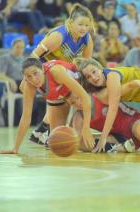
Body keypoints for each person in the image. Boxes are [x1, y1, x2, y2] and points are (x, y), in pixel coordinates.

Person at [0, 58, 94, 154]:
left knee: (83, 135)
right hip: (61, 96)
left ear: (42, 69)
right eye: (28, 76)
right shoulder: (29, 85)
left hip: (85, 85)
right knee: (58, 142)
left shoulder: (56, 72)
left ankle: (106, 139)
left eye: (35, 73)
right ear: (24, 77)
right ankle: (43, 131)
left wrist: (86, 127)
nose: (34, 79)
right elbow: (25, 117)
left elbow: (85, 97)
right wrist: (15, 148)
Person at [29, 3, 94, 144]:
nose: (84, 28)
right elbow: (33, 55)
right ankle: (46, 132)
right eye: (80, 24)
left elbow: (85, 65)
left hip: (62, 72)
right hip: (44, 71)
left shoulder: (87, 39)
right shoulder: (59, 36)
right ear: (71, 23)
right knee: (67, 99)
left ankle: (42, 131)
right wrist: (33, 77)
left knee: (76, 95)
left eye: (86, 25)